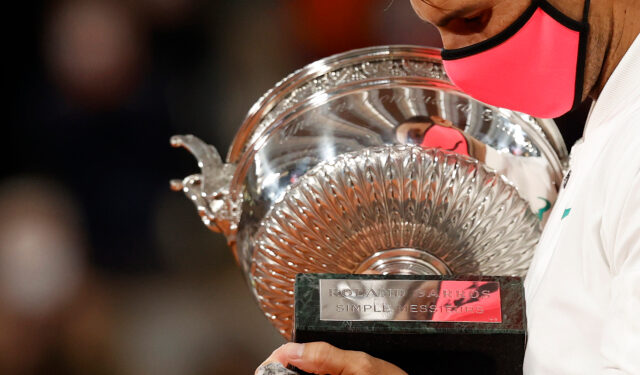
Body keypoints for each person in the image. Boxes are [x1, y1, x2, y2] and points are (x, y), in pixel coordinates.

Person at [256, 0, 640, 373]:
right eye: (437, 28)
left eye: (473, 18)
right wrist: (499, 178)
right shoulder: (611, 117)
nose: (458, 64)